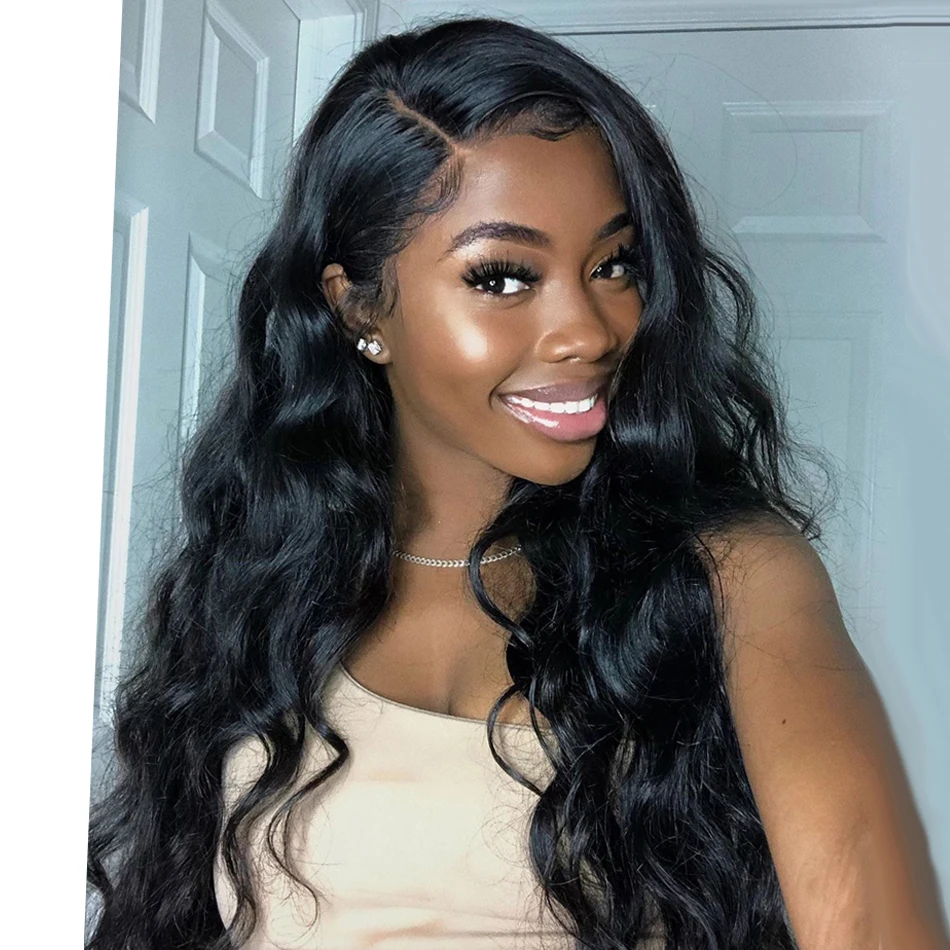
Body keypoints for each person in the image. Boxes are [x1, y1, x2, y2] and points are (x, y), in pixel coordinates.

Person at [86, 15, 950, 950]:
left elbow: (874, 920)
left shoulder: (728, 574)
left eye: (613, 265)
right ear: (359, 306)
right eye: (503, 277)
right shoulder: (265, 577)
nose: (590, 331)